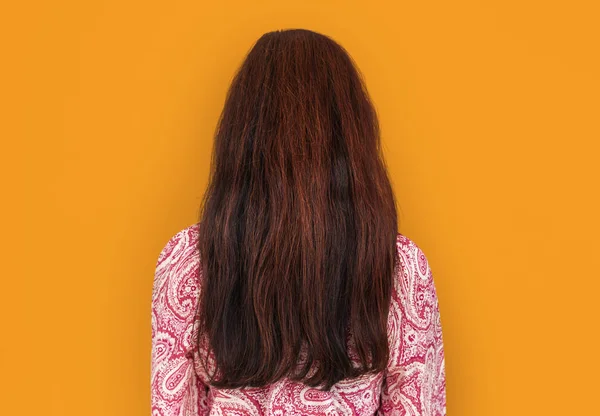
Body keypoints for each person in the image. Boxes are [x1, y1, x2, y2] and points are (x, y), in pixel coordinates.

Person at [150, 28, 446, 415]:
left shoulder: (188, 262)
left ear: (242, 136)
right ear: (351, 137)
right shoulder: (399, 268)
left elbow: (172, 408)